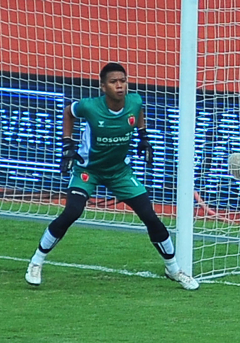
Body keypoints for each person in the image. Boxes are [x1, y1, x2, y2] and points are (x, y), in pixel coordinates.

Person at [25, 62, 199, 290]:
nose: (120, 86)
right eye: (113, 82)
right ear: (103, 86)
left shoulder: (134, 101)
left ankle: (174, 269)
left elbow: (139, 112)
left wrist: (143, 136)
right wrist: (67, 144)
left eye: (123, 81)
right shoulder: (89, 107)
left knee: (150, 215)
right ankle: (36, 262)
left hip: (119, 171)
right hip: (88, 170)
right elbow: (68, 112)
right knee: (72, 212)